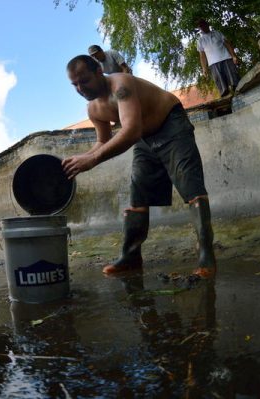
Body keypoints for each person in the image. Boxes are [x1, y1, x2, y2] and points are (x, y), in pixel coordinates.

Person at [63, 55, 216, 278]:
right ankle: (131, 257)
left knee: (190, 186)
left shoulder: (121, 86)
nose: (80, 88)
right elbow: (102, 142)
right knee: (138, 195)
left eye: (84, 81)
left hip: (171, 124)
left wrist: (92, 160)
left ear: (99, 72)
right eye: (74, 84)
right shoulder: (94, 109)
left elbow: (130, 131)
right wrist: (83, 158)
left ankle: (206, 254)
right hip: (145, 137)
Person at [196, 19, 241, 97]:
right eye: (201, 26)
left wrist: (234, 56)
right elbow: (202, 56)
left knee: (235, 82)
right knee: (223, 89)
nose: (203, 27)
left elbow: (227, 44)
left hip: (226, 59)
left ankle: (242, 93)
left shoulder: (217, 33)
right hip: (213, 64)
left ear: (207, 24)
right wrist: (204, 68)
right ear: (200, 29)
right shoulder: (200, 40)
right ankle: (228, 101)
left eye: (204, 25)